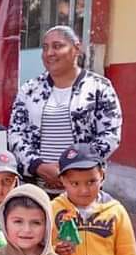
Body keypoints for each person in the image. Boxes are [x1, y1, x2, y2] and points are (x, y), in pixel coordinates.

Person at [8, 26, 122, 195]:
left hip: (83, 189)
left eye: (57, 46)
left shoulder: (99, 87)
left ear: (76, 48)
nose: (49, 53)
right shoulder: (30, 89)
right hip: (36, 188)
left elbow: (110, 135)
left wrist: (73, 167)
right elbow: (16, 133)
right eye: (45, 47)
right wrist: (38, 166)